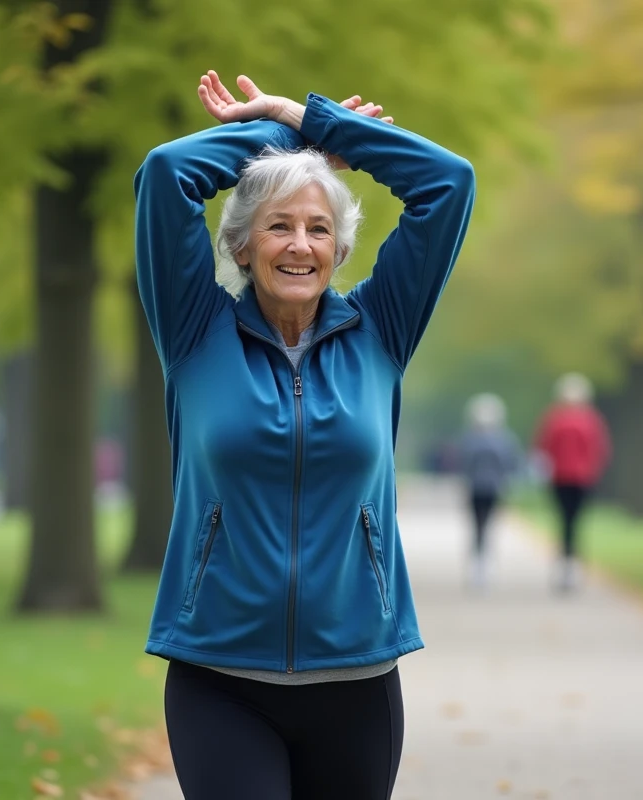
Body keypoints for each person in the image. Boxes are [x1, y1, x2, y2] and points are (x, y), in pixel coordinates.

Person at [134, 70, 475, 800]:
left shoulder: (382, 330)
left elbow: (450, 182)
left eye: (319, 228)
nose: (300, 245)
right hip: (220, 681)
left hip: (358, 680)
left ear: (340, 251)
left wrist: (313, 120)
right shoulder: (195, 330)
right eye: (279, 225)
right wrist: (287, 141)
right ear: (244, 246)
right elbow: (166, 175)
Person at [533, 373, 611, 593]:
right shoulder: (591, 420)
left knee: (564, 521)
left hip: (560, 478)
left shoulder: (554, 418)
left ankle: (566, 565)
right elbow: (600, 450)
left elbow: (542, 448)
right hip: (582, 479)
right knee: (575, 522)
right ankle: (571, 566)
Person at [456, 393, 523, 591]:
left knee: (479, 526)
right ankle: (481, 564)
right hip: (491, 488)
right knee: (485, 525)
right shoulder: (504, 439)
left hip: (479, 488)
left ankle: (479, 564)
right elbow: (510, 463)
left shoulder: (470, 438)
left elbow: (464, 463)